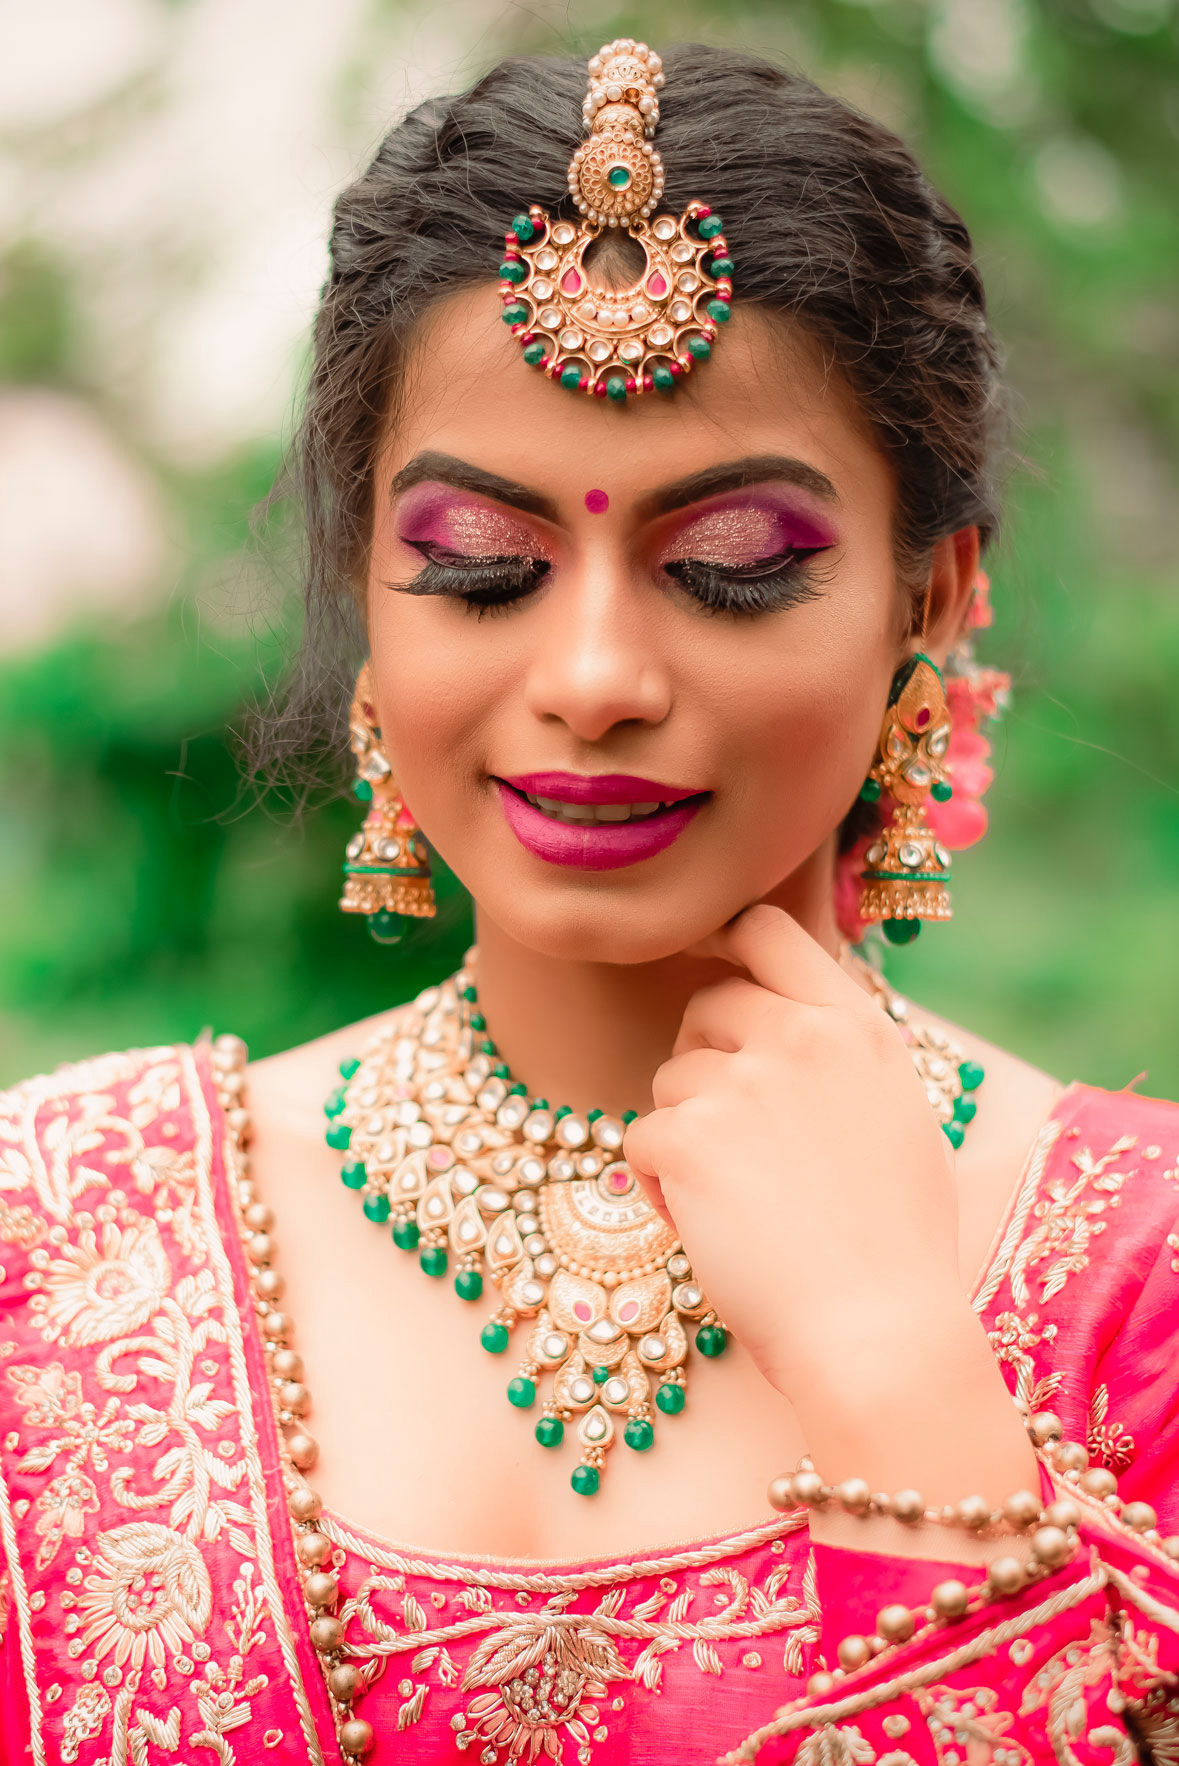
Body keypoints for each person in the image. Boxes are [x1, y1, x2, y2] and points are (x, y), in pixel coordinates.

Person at [0, 37, 1176, 1766]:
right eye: (483, 565)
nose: (601, 673)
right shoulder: (58, 1242)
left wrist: (900, 1379)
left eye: (733, 569)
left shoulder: (1146, 1280)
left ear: (933, 596)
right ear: (369, 599)